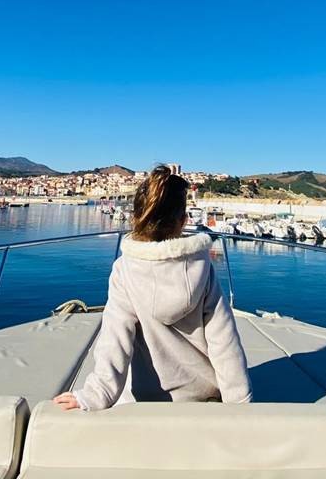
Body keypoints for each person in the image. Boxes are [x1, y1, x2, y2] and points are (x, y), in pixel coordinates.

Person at [54, 164, 252, 411]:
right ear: (183, 221)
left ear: (136, 217)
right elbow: (223, 340)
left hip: (144, 398)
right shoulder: (202, 269)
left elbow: (115, 339)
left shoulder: (124, 270)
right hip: (203, 396)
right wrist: (239, 404)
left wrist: (96, 395)